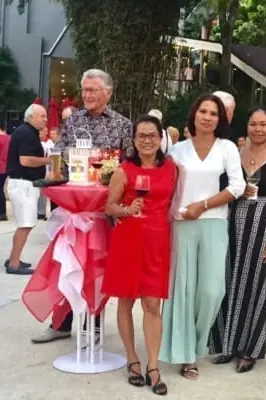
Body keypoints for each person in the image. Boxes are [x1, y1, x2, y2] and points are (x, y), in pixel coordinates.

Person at [32, 68, 133, 343]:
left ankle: (94, 327)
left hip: (103, 213)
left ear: (108, 93)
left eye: (92, 90)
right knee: (66, 265)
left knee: (96, 270)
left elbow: (129, 166)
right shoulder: (74, 121)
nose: (87, 95)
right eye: (85, 90)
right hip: (73, 210)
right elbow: (59, 156)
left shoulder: (123, 125)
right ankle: (61, 324)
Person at [159, 93, 246, 379]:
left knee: (211, 291)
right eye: (203, 111)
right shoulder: (177, 150)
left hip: (214, 222)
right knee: (183, 289)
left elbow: (237, 186)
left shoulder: (227, 148)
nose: (208, 117)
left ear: (220, 119)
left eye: (214, 113)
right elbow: (165, 186)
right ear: (194, 114)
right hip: (181, 223)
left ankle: (196, 343)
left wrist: (204, 205)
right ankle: (186, 355)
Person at [209, 107, 266, 372]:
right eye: (253, 124)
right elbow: (222, 187)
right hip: (231, 223)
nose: (258, 129)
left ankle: (250, 349)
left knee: (256, 285)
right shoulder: (233, 153)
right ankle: (226, 344)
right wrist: (236, 191)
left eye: (263, 124)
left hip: (261, 224)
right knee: (227, 282)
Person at [103, 115, 176, 396]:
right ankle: (133, 359)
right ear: (133, 140)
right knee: (126, 299)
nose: (147, 140)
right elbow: (109, 207)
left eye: (152, 135)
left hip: (157, 241)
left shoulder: (171, 168)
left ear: (160, 139)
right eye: (141, 136)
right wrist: (126, 210)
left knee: (153, 304)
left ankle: (153, 366)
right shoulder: (123, 171)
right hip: (129, 240)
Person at [5, 104, 50, 275]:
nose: (46, 120)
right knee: (25, 224)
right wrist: (48, 160)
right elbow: (25, 160)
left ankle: (13, 258)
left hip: (23, 183)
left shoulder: (27, 132)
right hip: (23, 184)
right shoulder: (26, 133)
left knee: (25, 224)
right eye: (42, 116)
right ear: (31, 117)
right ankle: (14, 263)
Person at [37, 127, 54, 220]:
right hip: (36, 168)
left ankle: (41, 212)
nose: (44, 133)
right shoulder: (35, 142)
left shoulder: (50, 143)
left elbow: (51, 158)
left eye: (45, 131)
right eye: (42, 131)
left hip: (46, 169)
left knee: (42, 192)